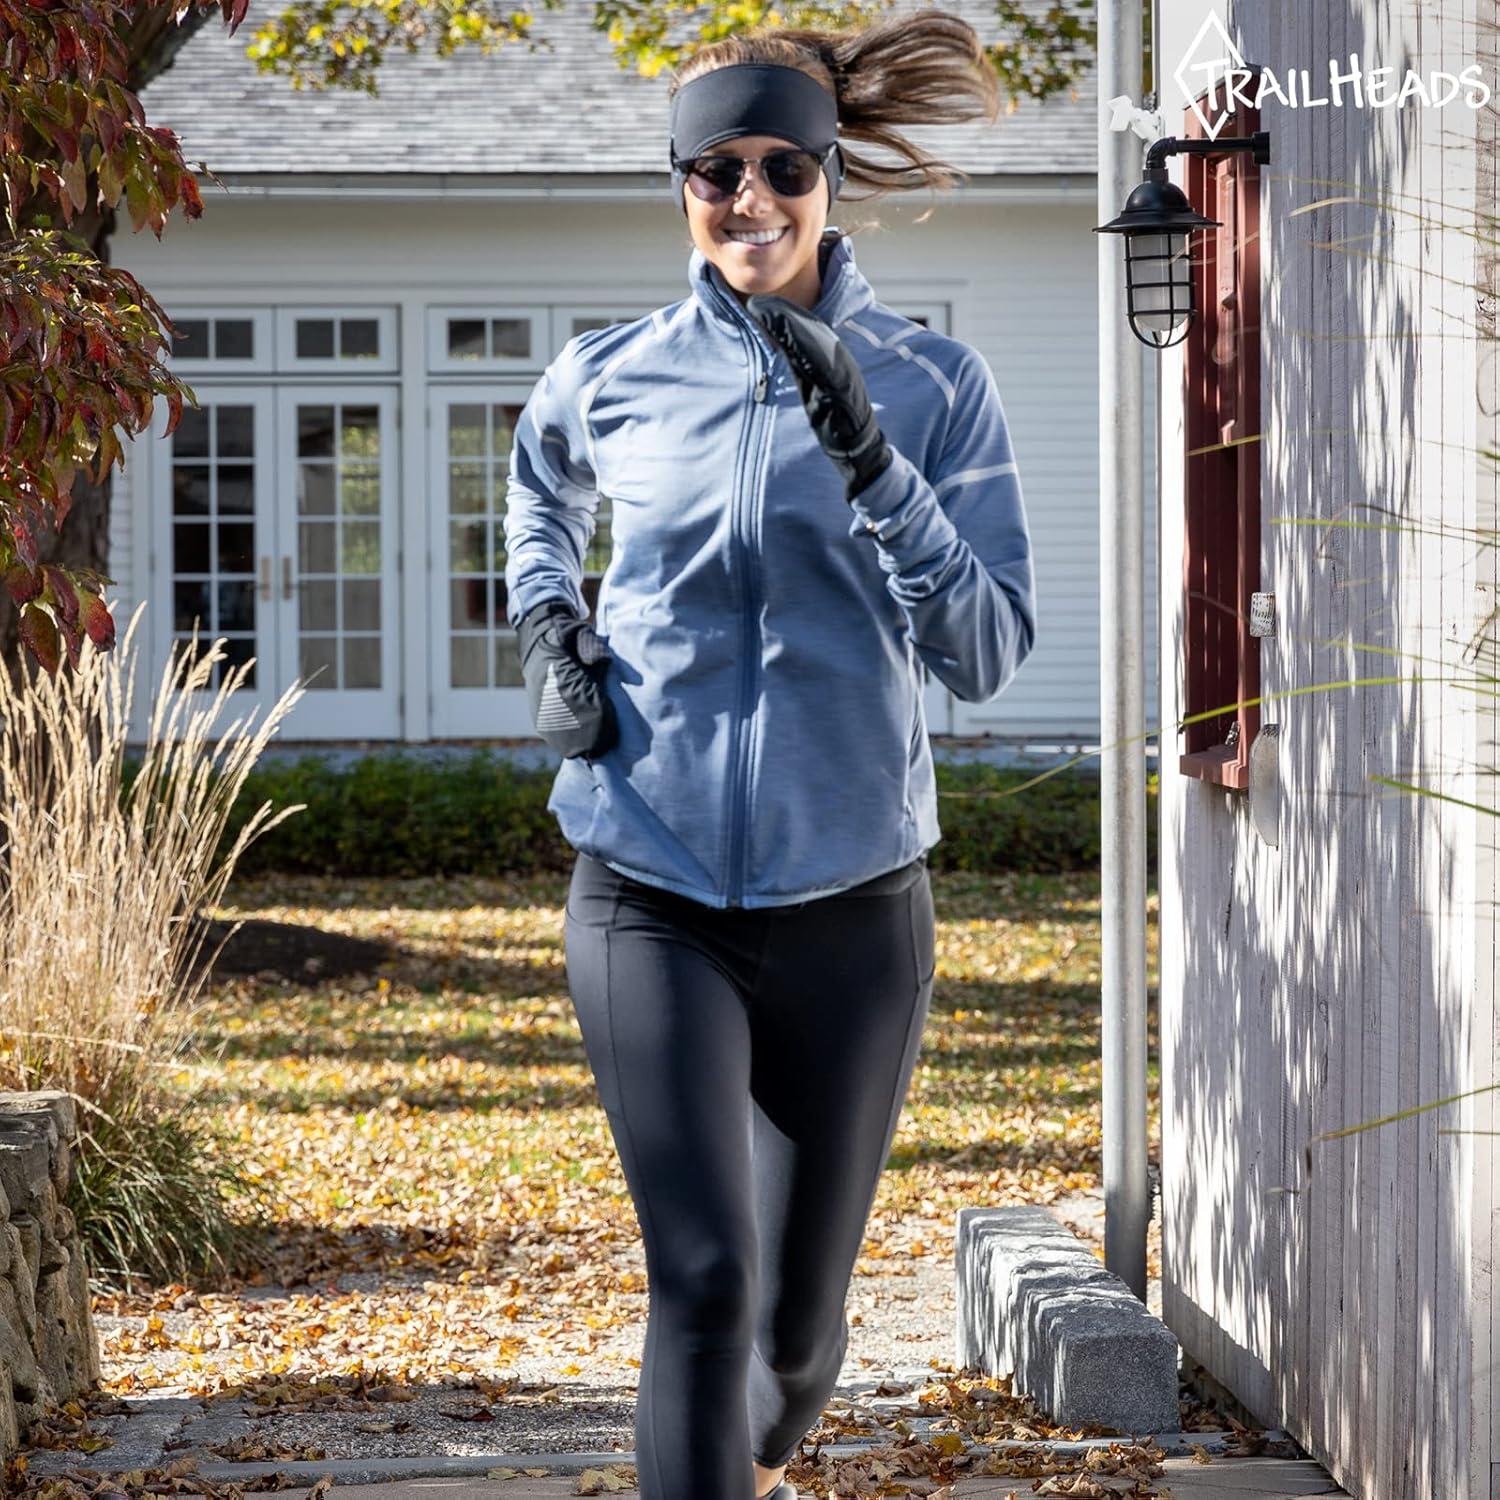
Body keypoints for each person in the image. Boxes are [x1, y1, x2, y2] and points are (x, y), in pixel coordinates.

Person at [502, 10, 1037, 1496]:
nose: (749, 200)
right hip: (646, 886)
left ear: (830, 173)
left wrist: (874, 467)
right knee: (702, 1281)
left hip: (852, 906)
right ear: (681, 182)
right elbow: (536, 486)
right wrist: (549, 624)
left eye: (782, 166)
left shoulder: (936, 386)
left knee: (795, 1339)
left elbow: (986, 651)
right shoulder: (611, 373)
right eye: (714, 170)